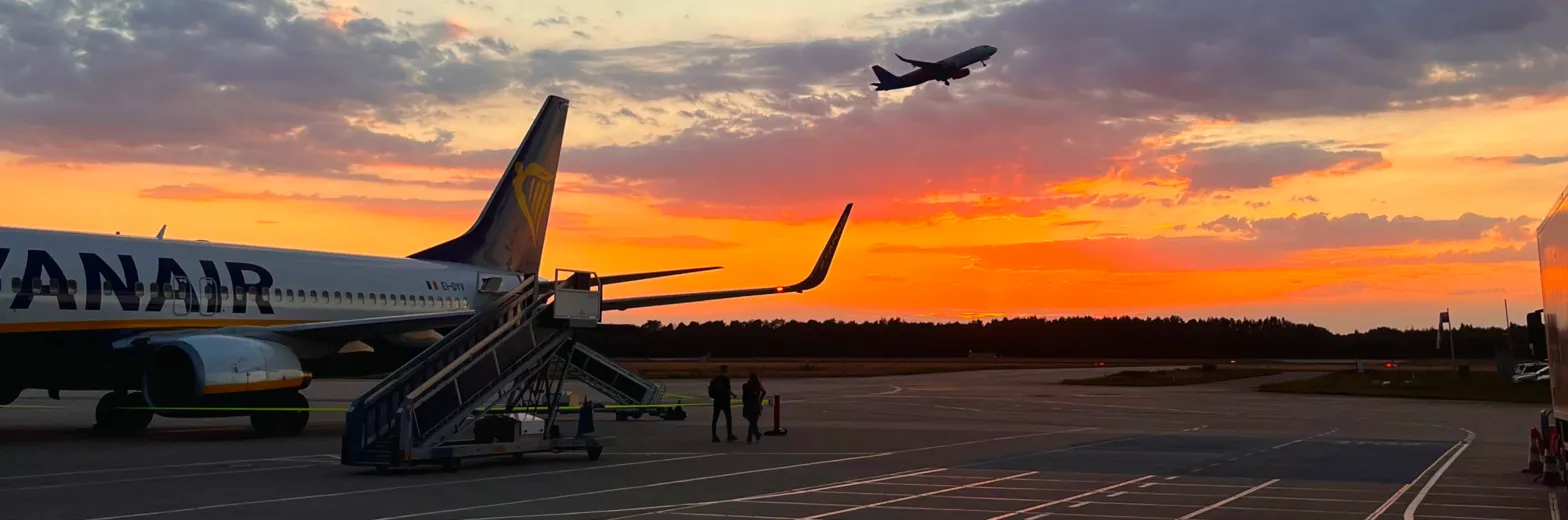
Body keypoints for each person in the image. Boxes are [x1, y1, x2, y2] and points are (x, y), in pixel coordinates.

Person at [707, 365, 737, 442]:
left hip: (717, 400)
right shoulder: (725, 379)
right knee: (728, 418)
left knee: (715, 418)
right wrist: (733, 395)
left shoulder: (715, 378)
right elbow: (727, 389)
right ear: (726, 370)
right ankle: (729, 435)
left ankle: (714, 435)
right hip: (725, 400)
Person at [741, 373, 767, 443]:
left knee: (752, 422)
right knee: (753, 422)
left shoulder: (745, 386)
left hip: (747, 405)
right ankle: (751, 436)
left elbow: (744, 396)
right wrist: (760, 400)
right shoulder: (757, 386)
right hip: (755, 405)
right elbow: (764, 391)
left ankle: (755, 435)